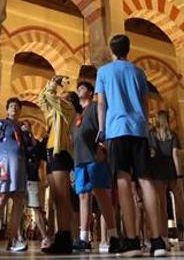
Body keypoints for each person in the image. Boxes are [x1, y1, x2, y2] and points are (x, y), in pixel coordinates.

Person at [95, 34, 165, 257]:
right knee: (145, 181)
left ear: (112, 51)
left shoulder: (104, 72)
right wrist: (142, 125)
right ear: (128, 50)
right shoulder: (138, 72)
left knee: (123, 181)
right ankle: (157, 241)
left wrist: (102, 130)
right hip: (139, 130)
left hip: (116, 130)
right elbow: (145, 104)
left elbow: (102, 104)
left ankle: (133, 242)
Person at [70, 81, 118, 253]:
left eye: (82, 88)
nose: (79, 90)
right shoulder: (77, 114)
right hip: (79, 159)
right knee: (83, 196)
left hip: (94, 156)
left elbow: (105, 127)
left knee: (100, 194)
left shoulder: (96, 106)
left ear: (90, 92)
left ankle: (113, 236)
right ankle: (84, 238)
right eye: (78, 88)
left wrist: (103, 147)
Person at [36, 75, 77, 254]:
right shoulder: (55, 112)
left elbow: (50, 96)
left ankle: (65, 238)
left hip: (61, 153)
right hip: (52, 152)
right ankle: (61, 237)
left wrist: (54, 84)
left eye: (65, 94)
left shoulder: (68, 109)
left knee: (62, 197)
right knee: (56, 198)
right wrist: (50, 85)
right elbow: (42, 99)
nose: (61, 96)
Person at [0, 98, 28, 252]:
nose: (14, 109)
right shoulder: (1, 123)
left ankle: (13, 239)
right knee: (1, 198)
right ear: (7, 109)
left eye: (17, 107)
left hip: (20, 167)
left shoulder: (22, 127)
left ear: (20, 110)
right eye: (11, 106)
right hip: (4, 165)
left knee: (18, 200)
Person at [148, 110, 184, 251]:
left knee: (162, 205)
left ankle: (165, 239)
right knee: (182, 203)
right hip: (170, 169)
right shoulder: (173, 134)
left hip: (158, 169)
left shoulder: (152, 134)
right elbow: (175, 155)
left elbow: (153, 152)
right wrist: (178, 174)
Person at [22, 121, 51, 249]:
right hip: (19, 177)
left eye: (27, 125)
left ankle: (45, 236)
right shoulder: (16, 140)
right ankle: (16, 237)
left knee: (36, 207)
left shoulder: (35, 143)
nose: (25, 127)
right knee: (18, 208)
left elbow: (40, 152)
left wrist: (31, 135)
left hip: (32, 177)